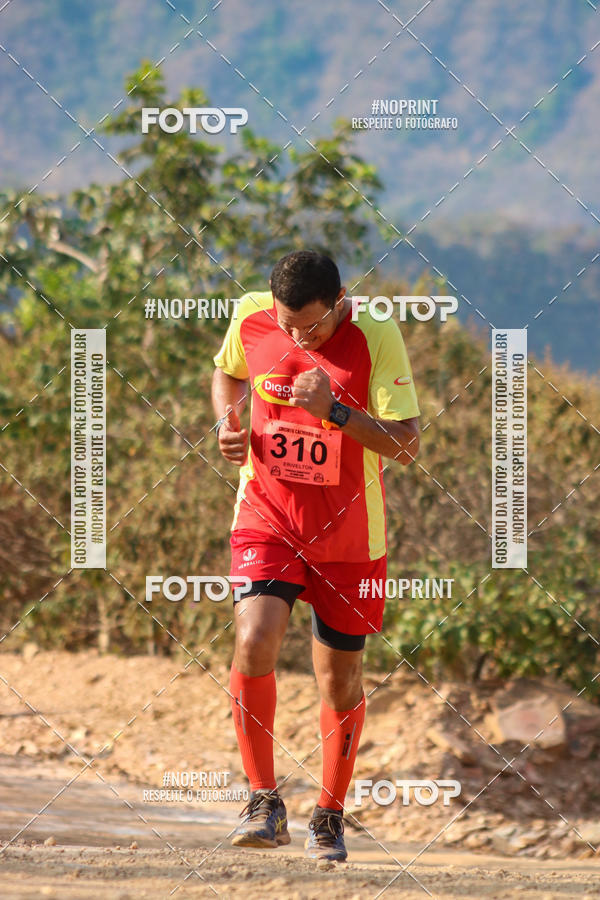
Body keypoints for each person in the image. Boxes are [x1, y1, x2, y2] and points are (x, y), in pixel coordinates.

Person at [212, 250, 420, 861]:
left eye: (314, 326)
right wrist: (226, 419)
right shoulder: (252, 315)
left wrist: (334, 410)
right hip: (268, 516)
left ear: (341, 301)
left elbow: (406, 445)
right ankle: (262, 800)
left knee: (339, 679)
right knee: (253, 639)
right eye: (289, 325)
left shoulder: (376, 332)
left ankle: (328, 814)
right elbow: (226, 372)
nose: (299, 336)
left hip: (350, 537)